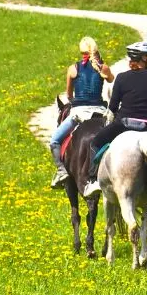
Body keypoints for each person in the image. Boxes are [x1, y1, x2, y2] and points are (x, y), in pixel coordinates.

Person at [82, 41, 147, 197]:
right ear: (143, 58)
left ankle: (93, 180)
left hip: (123, 124)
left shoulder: (122, 78)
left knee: (95, 142)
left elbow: (113, 106)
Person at [49, 36, 115, 188]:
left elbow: (69, 95)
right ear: (96, 50)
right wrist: (101, 64)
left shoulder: (73, 69)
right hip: (99, 111)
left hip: (79, 113)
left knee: (54, 140)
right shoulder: (102, 68)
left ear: (81, 51)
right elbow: (111, 79)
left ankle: (61, 171)